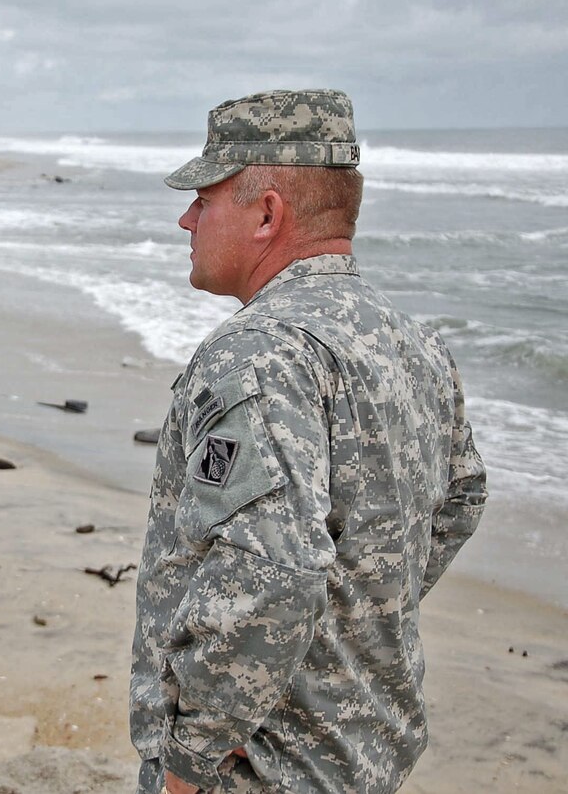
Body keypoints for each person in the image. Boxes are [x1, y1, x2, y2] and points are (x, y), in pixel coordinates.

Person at [129, 89, 487, 794]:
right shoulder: (411, 342)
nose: (186, 218)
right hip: (365, 753)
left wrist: (187, 764)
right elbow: (460, 500)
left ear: (267, 214)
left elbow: (268, 574)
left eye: (206, 198)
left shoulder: (259, 353)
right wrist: (356, 615)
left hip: (258, 769)